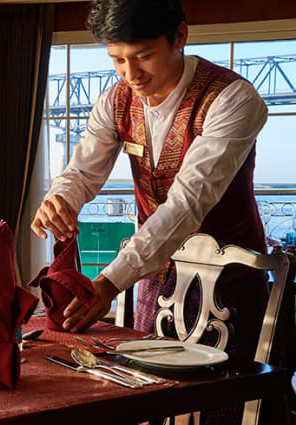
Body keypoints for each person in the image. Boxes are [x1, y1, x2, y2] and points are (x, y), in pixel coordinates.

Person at [32, 2, 270, 422]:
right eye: (117, 60)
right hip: (154, 281)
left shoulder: (233, 98)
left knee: (221, 410)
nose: (130, 74)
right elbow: (82, 171)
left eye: (142, 56)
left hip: (231, 282)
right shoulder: (116, 99)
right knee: (144, 400)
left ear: (180, 37)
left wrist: (108, 283)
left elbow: (187, 203)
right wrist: (61, 199)